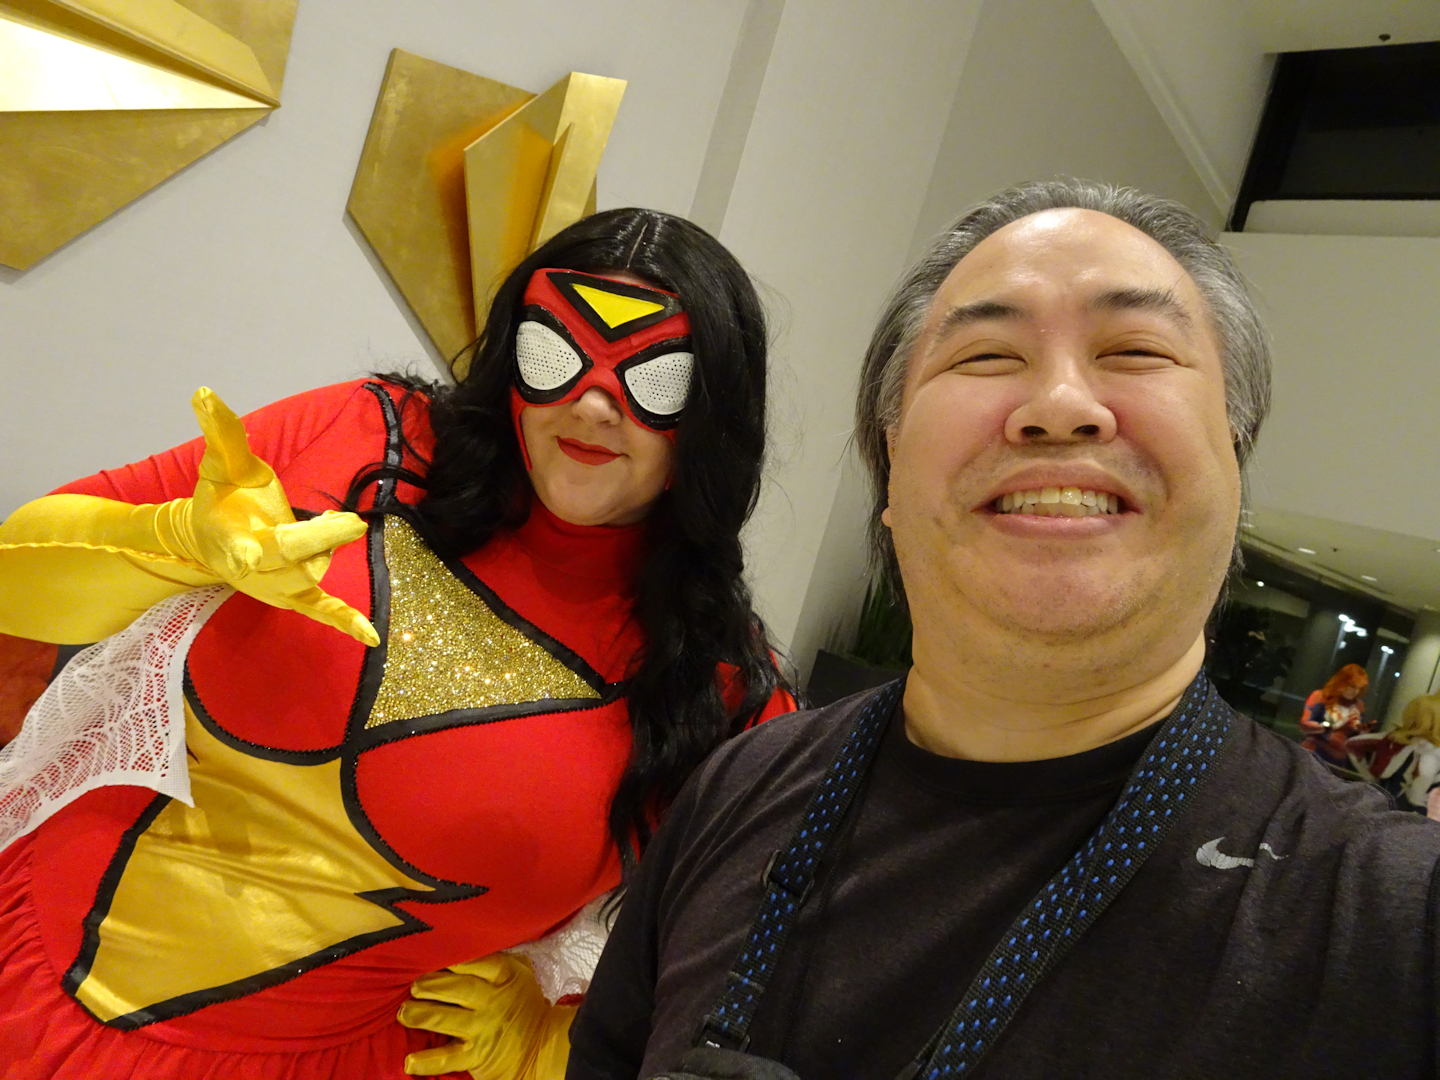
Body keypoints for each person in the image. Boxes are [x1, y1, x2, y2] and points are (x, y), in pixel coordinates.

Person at [566, 180, 1440, 1080]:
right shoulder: (736, 789)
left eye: (1137, 350)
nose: (1059, 404)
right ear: (891, 465)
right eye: (986, 355)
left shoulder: (1396, 921)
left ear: (1234, 455)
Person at [0, 208, 795, 1078]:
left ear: (713, 411)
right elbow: (15, 580)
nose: (593, 403)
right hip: (23, 964)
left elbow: (766, 994)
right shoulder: (367, 438)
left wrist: (550, 1044)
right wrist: (171, 541)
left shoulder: (717, 688)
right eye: (554, 354)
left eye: (657, 379)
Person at [1349, 692, 1440, 818]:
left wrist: (1368, 775)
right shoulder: (1430, 750)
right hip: (1407, 810)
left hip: (1379, 801)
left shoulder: (1393, 739)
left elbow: (1353, 744)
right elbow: (1423, 778)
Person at [1298, 662, 1370, 768]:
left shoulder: (1358, 706)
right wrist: (1329, 728)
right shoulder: (1320, 696)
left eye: (1359, 688)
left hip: (1338, 761)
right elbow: (1304, 725)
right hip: (1313, 754)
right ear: (1342, 682)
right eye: (1353, 686)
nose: (1355, 692)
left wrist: (1362, 731)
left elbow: (1358, 737)